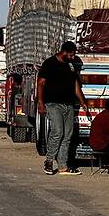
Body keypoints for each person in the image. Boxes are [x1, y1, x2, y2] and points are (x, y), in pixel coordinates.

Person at [38, 41, 88, 175]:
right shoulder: (49, 63)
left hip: (69, 105)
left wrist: (83, 102)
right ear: (64, 52)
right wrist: (41, 102)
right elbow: (41, 83)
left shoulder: (70, 67)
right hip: (53, 104)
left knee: (67, 136)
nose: (72, 58)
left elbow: (75, 86)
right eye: (71, 55)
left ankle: (63, 166)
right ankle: (49, 161)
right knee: (57, 132)